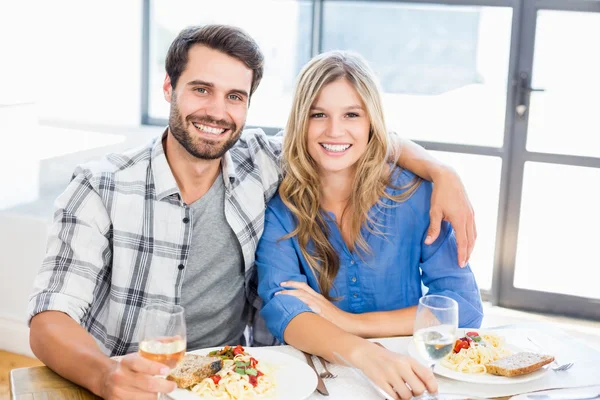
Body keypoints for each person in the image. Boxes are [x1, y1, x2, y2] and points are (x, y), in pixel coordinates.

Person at [28, 25, 476, 400]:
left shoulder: (258, 162)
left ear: (247, 104)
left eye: (234, 96)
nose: (216, 111)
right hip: (120, 380)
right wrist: (105, 376)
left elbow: (348, 142)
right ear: (169, 87)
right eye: (201, 89)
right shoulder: (100, 185)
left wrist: (441, 171)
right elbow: (50, 319)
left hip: (227, 380)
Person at [256, 50, 483, 399]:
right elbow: (285, 309)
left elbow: (462, 306)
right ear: (301, 120)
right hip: (317, 378)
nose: (335, 130)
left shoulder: (417, 196)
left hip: (409, 375)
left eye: (351, 114)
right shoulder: (281, 208)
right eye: (319, 114)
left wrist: (352, 324)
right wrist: (363, 352)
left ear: (370, 123)